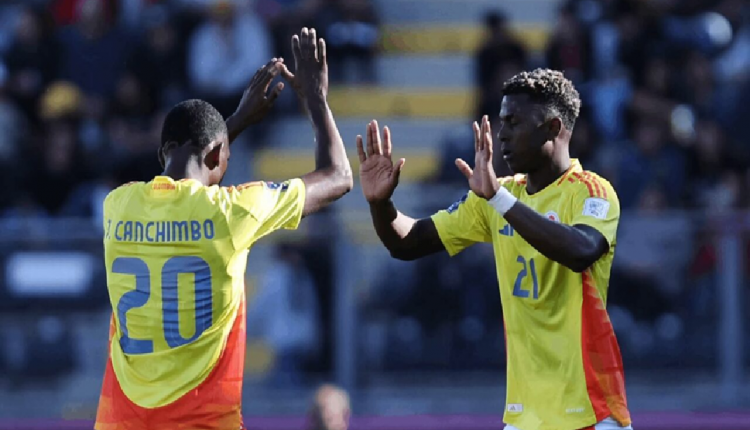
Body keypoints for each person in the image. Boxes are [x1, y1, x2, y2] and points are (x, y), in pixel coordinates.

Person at [95, 28, 352, 430]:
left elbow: (179, 179)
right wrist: (316, 99)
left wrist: (231, 125)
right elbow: (338, 177)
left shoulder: (118, 206)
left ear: (163, 152)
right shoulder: (232, 211)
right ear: (218, 154)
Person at [357, 68, 632, 430]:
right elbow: (407, 243)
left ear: (552, 127)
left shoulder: (591, 191)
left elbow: (581, 250)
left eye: (514, 123)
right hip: (526, 417)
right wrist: (381, 204)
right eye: (501, 122)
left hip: (591, 410)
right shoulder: (496, 197)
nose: (502, 134)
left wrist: (499, 200)